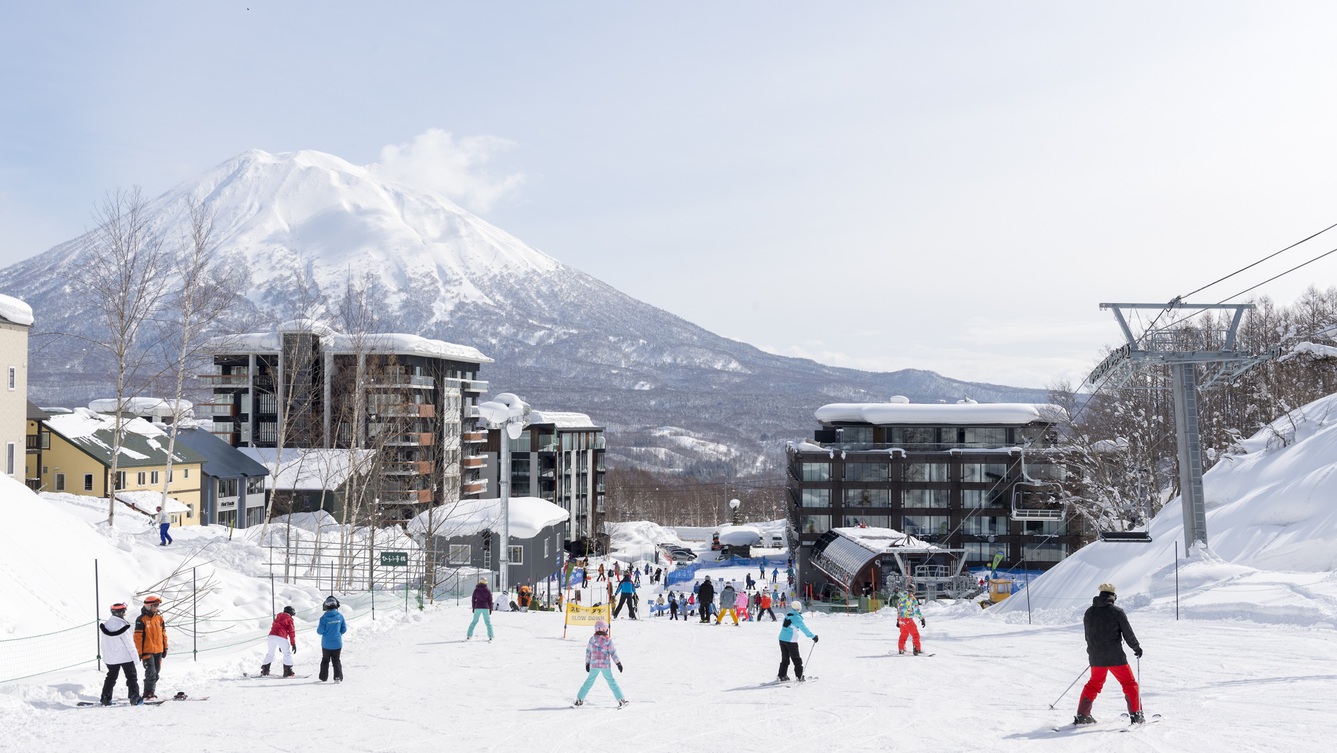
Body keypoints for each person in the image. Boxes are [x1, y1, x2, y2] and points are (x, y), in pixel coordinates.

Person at [1075, 583, 1144, 725]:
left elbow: (1088, 635)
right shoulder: (1116, 611)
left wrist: (1093, 653)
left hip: (1096, 656)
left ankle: (1082, 715)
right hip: (1116, 657)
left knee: (1093, 684)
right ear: (1113, 596)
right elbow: (1128, 633)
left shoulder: (1089, 612)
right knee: (1129, 683)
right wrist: (1136, 648)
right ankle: (1136, 715)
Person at [574, 620, 627, 707]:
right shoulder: (608, 640)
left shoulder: (592, 639)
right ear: (605, 629)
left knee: (589, 681)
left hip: (594, 665)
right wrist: (618, 663)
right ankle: (621, 699)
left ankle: (579, 699)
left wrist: (587, 663)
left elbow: (588, 652)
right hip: (605, 665)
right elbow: (613, 652)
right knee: (611, 682)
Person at [99, 602, 143, 706]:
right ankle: (134, 697)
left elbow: (103, 644)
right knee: (131, 677)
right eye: (124, 612)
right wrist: (136, 658)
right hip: (125, 657)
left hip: (111, 658)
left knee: (111, 677)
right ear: (121, 612)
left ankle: (105, 697)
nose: (125, 614)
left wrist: (106, 658)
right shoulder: (123, 625)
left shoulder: (105, 625)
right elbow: (130, 644)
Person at [133, 594, 167, 700]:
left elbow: (163, 634)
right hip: (147, 651)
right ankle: (148, 692)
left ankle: (151, 691)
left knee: (156, 673)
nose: (157, 607)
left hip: (158, 650)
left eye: (157, 605)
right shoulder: (141, 619)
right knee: (151, 672)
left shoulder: (159, 618)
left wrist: (165, 647)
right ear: (149, 606)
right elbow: (137, 637)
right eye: (155, 605)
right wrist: (139, 652)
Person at [777, 600, 817, 681]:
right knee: (796, 659)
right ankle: (799, 676)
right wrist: (813, 636)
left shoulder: (788, 615)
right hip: (791, 640)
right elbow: (804, 629)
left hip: (782, 639)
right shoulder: (796, 618)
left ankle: (782, 675)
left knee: (785, 659)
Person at [260, 606, 298, 677]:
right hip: (281, 637)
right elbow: (291, 631)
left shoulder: (278, 616)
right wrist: (293, 643)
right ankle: (288, 671)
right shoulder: (289, 619)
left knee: (270, 653)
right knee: (287, 654)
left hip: (271, 636)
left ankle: (265, 670)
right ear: (291, 612)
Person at [317, 595, 346, 682]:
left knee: (325, 660)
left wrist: (327, 633)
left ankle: (323, 677)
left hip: (326, 644)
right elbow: (344, 628)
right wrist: (337, 634)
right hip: (337, 643)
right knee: (336, 660)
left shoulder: (323, 618)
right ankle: (338, 677)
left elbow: (320, 631)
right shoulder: (340, 616)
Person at [894, 589, 925, 655]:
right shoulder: (912, 599)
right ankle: (917, 649)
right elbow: (916, 610)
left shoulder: (901, 598)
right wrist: (922, 619)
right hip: (908, 619)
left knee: (903, 634)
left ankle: (901, 649)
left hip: (901, 619)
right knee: (915, 634)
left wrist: (898, 620)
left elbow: (899, 609)